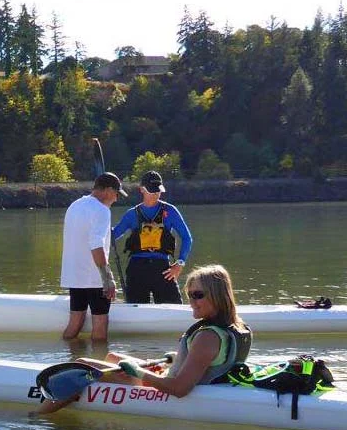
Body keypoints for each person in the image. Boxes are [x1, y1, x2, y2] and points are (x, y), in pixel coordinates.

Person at [40, 265, 252, 412]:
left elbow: (179, 389)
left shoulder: (207, 337)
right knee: (113, 356)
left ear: (217, 295)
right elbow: (212, 362)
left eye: (198, 295)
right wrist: (178, 357)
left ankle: (36, 418)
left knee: (81, 365)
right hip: (181, 378)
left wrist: (139, 373)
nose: (192, 302)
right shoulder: (238, 326)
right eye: (189, 295)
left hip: (168, 390)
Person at [59, 172, 126, 342]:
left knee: (76, 321)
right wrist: (108, 278)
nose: (116, 199)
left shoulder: (74, 205)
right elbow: (96, 245)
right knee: (100, 324)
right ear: (109, 190)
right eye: (116, 194)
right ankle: (97, 362)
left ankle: (68, 357)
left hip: (74, 276)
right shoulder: (102, 211)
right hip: (95, 277)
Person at [111, 169, 193, 303]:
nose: (156, 194)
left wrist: (180, 263)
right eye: (152, 190)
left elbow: (187, 238)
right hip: (137, 269)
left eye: (158, 190)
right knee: (135, 309)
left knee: (173, 307)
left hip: (163, 269)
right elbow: (112, 236)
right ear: (142, 190)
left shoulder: (170, 211)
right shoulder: (131, 214)